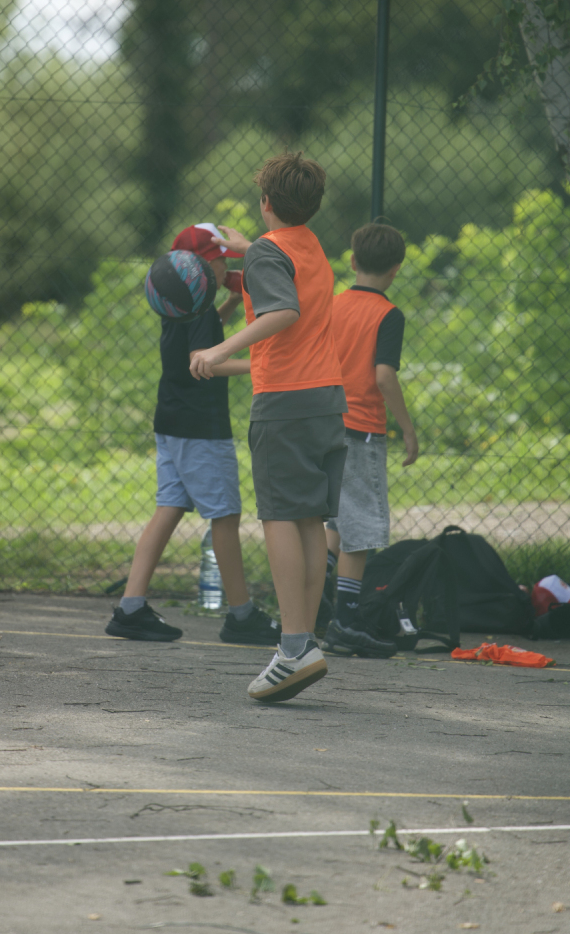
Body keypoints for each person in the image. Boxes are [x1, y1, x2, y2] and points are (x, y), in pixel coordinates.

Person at [190, 153, 347, 703]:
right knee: (307, 519)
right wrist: (244, 248)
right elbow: (280, 273)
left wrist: (219, 349)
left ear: (265, 203)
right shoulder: (310, 246)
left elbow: (282, 310)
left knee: (279, 515)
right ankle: (303, 643)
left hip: (286, 397)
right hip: (326, 397)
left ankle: (295, 646)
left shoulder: (266, 250)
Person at [105, 222, 281, 647]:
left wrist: (231, 301)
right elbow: (205, 362)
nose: (225, 271)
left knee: (168, 508)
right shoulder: (199, 309)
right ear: (198, 265)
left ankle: (130, 608)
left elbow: (201, 340)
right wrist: (260, 369)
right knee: (225, 515)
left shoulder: (179, 304)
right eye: (220, 263)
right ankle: (241, 615)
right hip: (201, 429)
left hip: (171, 421)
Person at [321, 222, 419, 658]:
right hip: (360, 431)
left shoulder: (332, 305)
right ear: (396, 269)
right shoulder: (388, 314)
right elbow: (383, 376)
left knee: (336, 523)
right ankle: (345, 621)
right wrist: (407, 428)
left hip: (323, 422)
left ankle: (317, 603)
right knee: (359, 530)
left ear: (352, 260)